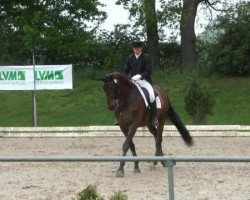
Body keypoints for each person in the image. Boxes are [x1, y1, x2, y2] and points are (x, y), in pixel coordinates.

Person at [123, 40, 159, 126]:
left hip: (144, 80)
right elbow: (125, 70)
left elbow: (148, 71)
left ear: (141, 48)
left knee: (151, 95)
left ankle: (154, 118)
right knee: (123, 95)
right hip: (133, 81)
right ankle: (121, 117)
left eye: (138, 48)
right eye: (135, 48)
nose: (136, 50)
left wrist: (140, 76)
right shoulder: (130, 58)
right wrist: (128, 77)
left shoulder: (146, 57)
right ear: (133, 49)